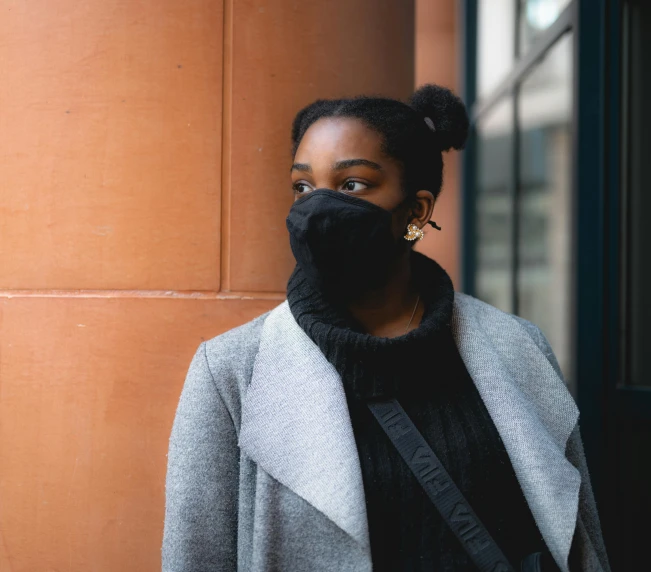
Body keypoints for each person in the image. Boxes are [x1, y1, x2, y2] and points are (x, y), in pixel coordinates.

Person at [161, 84, 610, 572]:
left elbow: (579, 536)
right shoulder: (230, 371)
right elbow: (196, 556)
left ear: (416, 212)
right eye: (303, 187)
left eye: (352, 184)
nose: (316, 209)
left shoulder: (517, 346)